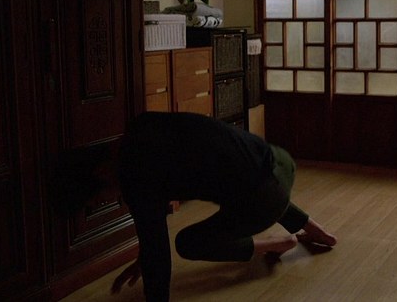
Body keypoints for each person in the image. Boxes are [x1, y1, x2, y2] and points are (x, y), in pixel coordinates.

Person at [110, 111, 337, 301]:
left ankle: (273, 244)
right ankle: (316, 230)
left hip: (265, 200)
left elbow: (157, 250)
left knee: (188, 243)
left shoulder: (134, 177)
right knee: (246, 177)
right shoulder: (142, 125)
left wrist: (151, 269)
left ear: (103, 175)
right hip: (281, 162)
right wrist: (145, 257)